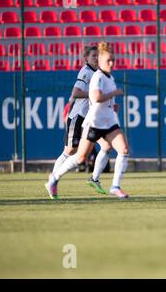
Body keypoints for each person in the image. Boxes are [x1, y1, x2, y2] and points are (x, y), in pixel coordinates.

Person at [45, 42, 129, 199]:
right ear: (86, 58)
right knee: (75, 154)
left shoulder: (108, 76)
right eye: (95, 57)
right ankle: (54, 178)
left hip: (107, 121)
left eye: (112, 60)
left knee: (118, 149)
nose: (99, 60)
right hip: (87, 119)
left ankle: (106, 183)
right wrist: (112, 94)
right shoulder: (89, 73)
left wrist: (111, 105)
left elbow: (102, 98)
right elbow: (84, 94)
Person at [51, 45, 112, 194]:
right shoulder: (85, 72)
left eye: (98, 56)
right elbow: (76, 93)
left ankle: (94, 178)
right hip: (78, 117)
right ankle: (52, 181)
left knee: (106, 146)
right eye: (93, 56)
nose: (96, 58)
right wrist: (94, 95)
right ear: (86, 58)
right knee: (70, 151)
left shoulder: (99, 73)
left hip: (91, 119)